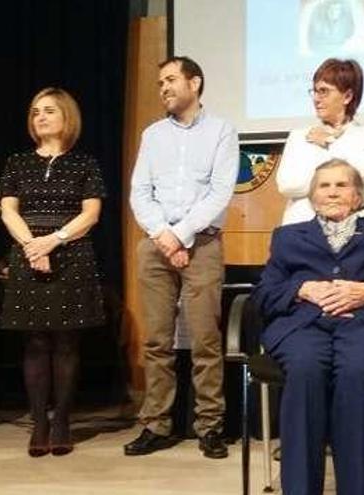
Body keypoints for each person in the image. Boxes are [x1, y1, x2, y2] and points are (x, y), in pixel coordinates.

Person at [254, 159, 364, 495]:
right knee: (305, 368)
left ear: (357, 195)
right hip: (303, 326)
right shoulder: (288, 237)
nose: (332, 192)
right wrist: (300, 289)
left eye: (341, 185)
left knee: (359, 372)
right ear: (312, 197)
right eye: (324, 186)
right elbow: (264, 293)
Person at [126, 56, 239, 459]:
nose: (164, 88)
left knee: (206, 340)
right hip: (155, 244)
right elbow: (140, 192)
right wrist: (163, 235)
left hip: (202, 243)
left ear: (195, 82)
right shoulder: (153, 135)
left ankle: (210, 426)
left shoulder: (222, 131)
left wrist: (180, 234)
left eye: (171, 80)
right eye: (160, 83)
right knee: (157, 341)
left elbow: (220, 191)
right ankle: (156, 424)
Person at [0, 87, 106, 457]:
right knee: (35, 343)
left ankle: (61, 420)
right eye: (34, 112)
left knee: (65, 343)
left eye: (48, 111)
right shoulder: (16, 162)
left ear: (67, 117)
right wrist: (33, 245)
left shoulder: (85, 163)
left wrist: (53, 241)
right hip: (28, 253)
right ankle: (38, 422)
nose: (40, 117)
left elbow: (90, 215)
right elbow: (8, 210)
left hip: (71, 253)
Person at [276, 57, 364, 226]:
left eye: (324, 91)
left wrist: (330, 143)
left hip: (357, 233)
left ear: (347, 96)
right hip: (303, 231)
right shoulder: (299, 136)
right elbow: (288, 185)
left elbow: (360, 173)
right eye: (315, 91)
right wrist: (336, 180)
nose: (316, 99)